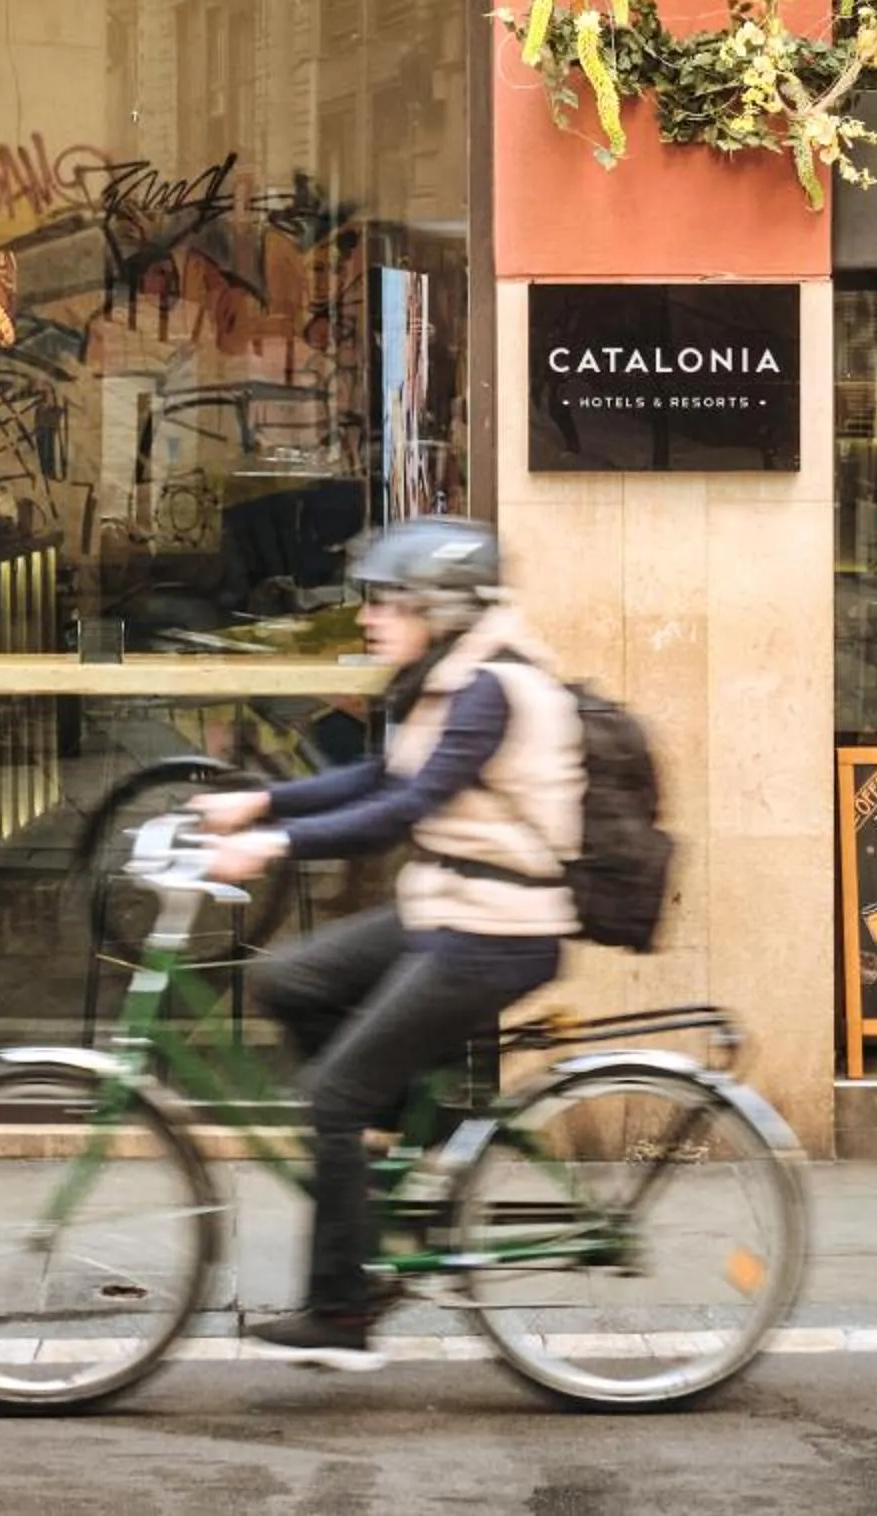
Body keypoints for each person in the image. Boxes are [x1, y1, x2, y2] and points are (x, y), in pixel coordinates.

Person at [192, 515, 581, 1369]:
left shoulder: (492, 690)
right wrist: (262, 803)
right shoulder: (446, 677)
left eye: (387, 601)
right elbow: (382, 777)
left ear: (439, 608)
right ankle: (402, 1134)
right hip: (447, 906)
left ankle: (342, 1313)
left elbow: (406, 809)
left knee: (329, 1098)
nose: (369, 616)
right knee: (290, 978)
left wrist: (273, 844)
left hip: (497, 929)